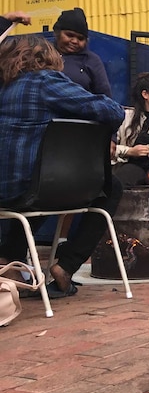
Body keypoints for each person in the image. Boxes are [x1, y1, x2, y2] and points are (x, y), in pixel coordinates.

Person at [0, 35, 124, 298]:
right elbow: (112, 112)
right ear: (44, 58)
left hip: (6, 191)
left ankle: (9, 261)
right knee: (110, 187)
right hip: (34, 189)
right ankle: (66, 265)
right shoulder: (43, 81)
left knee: (38, 189)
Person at [52, 7, 112, 96]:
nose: (75, 41)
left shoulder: (91, 61)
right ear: (57, 33)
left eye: (80, 38)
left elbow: (105, 98)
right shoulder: (43, 55)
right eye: (69, 35)